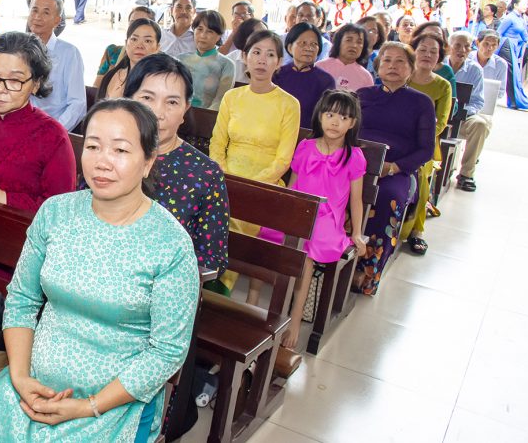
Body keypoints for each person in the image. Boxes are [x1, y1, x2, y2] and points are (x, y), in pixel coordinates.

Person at [0, 99, 198, 443]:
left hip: (111, 406)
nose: (102, 161)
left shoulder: (170, 243)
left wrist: (89, 406)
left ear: (148, 161)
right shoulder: (56, 213)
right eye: (93, 146)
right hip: (30, 385)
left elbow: (167, 351)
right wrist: (20, 377)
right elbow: (22, 301)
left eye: (120, 150)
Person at [269, 89, 367, 348]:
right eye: (330, 114)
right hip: (300, 209)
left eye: (343, 117)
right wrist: (283, 212)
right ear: (320, 116)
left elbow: (356, 200)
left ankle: (295, 318)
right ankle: (257, 305)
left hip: (328, 218)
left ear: (352, 123)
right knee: (266, 234)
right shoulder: (306, 147)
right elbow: (293, 185)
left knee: (307, 251)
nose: (335, 122)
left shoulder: (354, 156)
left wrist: (357, 232)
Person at [210, 29, 300, 295]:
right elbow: (217, 142)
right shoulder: (232, 97)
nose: (262, 60)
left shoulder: (289, 104)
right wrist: (224, 175)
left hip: (265, 184)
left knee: (238, 215)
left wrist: (250, 185)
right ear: (244, 57)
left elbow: (283, 159)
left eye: (270, 55)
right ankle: (205, 278)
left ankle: (218, 286)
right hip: (227, 177)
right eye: (256, 52)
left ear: (279, 62)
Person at [126, 54, 230, 273]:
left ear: (186, 109)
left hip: (164, 284)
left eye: (172, 102)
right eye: (147, 98)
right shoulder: (108, 155)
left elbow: (212, 261)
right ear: (128, 100)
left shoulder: (205, 174)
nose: (158, 114)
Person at [0, 32, 76, 211]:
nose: (0, 89)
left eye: (14, 80)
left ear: (36, 84)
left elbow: (61, 210)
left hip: (20, 229)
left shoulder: (52, 136)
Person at [354, 43, 435, 295]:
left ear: (411, 68)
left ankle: (367, 271)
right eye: (387, 60)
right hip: (356, 165)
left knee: (387, 197)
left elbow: (426, 150)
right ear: (378, 66)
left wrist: (393, 167)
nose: (392, 66)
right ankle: (331, 260)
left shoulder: (421, 102)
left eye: (400, 61)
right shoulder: (363, 95)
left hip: (396, 171)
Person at [400, 31, 452, 255]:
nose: (427, 55)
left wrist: (418, 138)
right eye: (423, 49)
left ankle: (416, 230)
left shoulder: (443, 86)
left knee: (421, 174)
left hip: (425, 144)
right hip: (396, 138)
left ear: (439, 56)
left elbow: (440, 122)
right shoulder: (403, 78)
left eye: (433, 51)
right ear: (413, 51)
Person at [28, 0, 86, 131]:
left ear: (57, 21)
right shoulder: (18, 47)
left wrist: (54, 131)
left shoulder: (69, 53)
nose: (37, 17)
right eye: (34, 10)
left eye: (46, 12)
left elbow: (78, 103)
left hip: (51, 128)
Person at [447, 32, 489, 193]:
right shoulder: (439, 64)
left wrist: (458, 113)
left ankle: (466, 174)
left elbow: (477, 102)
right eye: (457, 45)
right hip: (434, 116)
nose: (462, 50)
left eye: (467, 46)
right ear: (449, 46)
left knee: (480, 125)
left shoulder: (475, 70)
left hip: (461, 118)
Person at [273, 22, 336, 124]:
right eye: (303, 43)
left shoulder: (326, 81)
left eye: (314, 44)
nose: (309, 48)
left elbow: (326, 116)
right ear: (290, 47)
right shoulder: (277, 74)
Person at [178, 10, 235, 110]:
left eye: (210, 31)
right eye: (199, 29)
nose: (203, 35)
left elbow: (220, 100)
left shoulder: (226, 65)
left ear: (219, 36)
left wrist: (203, 117)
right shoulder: (180, 59)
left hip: (208, 116)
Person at [97, 18, 162, 100]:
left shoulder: (162, 82)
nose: (140, 46)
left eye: (147, 41)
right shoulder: (114, 75)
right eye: (134, 39)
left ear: (157, 47)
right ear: (126, 43)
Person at [94, 6, 156, 85]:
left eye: (142, 23)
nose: (136, 27)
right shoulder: (112, 52)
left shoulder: (160, 63)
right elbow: (96, 87)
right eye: (132, 23)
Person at [316, 23, 374, 92]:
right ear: (339, 42)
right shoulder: (320, 67)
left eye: (359, 42)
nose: (354, 45)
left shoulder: (366, 77)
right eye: (349, 40)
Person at [497, 0, 528, 110]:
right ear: (515, 5)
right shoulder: (510, 18)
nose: (526, 6)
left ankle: (514, 100)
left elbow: (526, 37)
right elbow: (499, 33)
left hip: (514, 47)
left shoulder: (521, 19)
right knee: (512, 74)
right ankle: (514, 100)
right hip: (506, 46)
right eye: (524, 4)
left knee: (514, 74)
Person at [411, 22, 457, 95]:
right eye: (423, 50)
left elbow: (452, 99)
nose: (427, 55)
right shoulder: (404, 69)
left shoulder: (445, 75)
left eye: (437, 35)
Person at [470, 29, 508, 103]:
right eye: (486, 44)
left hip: (487, 103)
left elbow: (500, 91)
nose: (490, 48)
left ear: (498, 46)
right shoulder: (467, 59)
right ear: (477, 43)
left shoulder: (501, 64)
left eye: (494, 45)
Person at [228, 17, 265, 84]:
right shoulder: (229, 61)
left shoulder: (270, 60)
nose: (266, 38)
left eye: (266, 34)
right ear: (245, 37)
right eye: (260, 35)